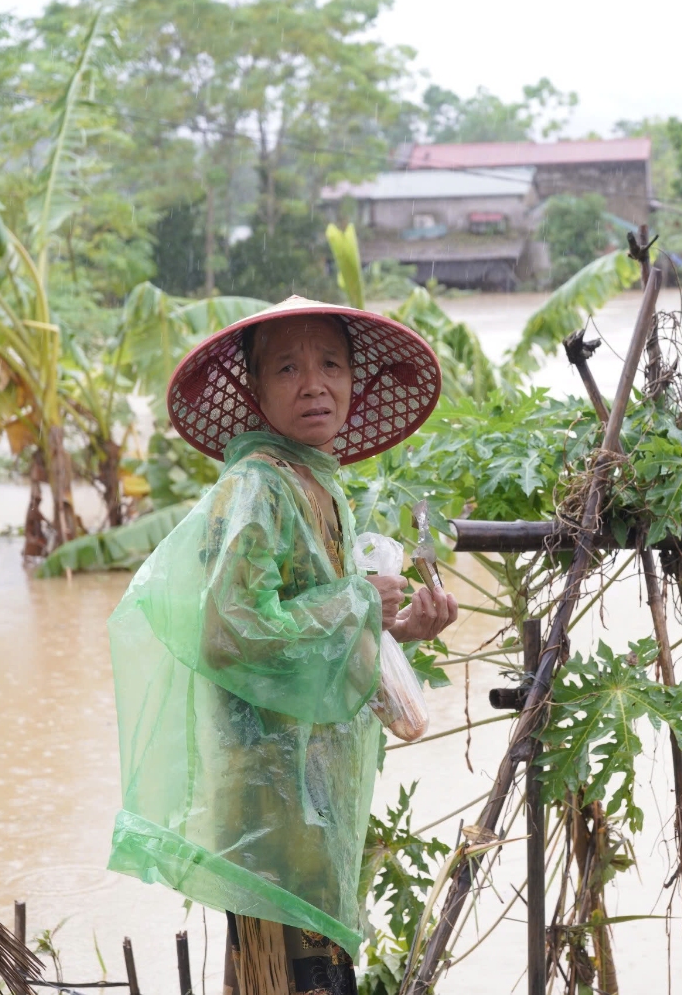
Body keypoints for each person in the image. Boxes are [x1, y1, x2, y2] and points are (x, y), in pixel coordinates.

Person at [105, 296, 457, 995]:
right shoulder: (256, 487)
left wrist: (397, 625)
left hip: (315, 787)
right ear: (257, 391)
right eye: (288, 368)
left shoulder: (317, 484)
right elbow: (231, 632)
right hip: (270, 799)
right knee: (293, 976)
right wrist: (358, 601)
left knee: (319, 967)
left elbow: (311, 637)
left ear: (355, 383)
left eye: (330, 364)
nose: (313, 384)